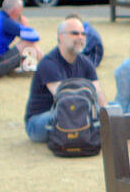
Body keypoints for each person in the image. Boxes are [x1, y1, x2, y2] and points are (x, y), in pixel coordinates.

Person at [24, 15, 108, 143]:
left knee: (114, 109)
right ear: (61, 37)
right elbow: (65, 101)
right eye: (74, 33)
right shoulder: (48, 64)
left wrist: (107, 115)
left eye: (83, 34)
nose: (80, 37)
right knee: (70, 114)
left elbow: (98, 94)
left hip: (75, 113)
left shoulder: (86, 63)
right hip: (41, 121)